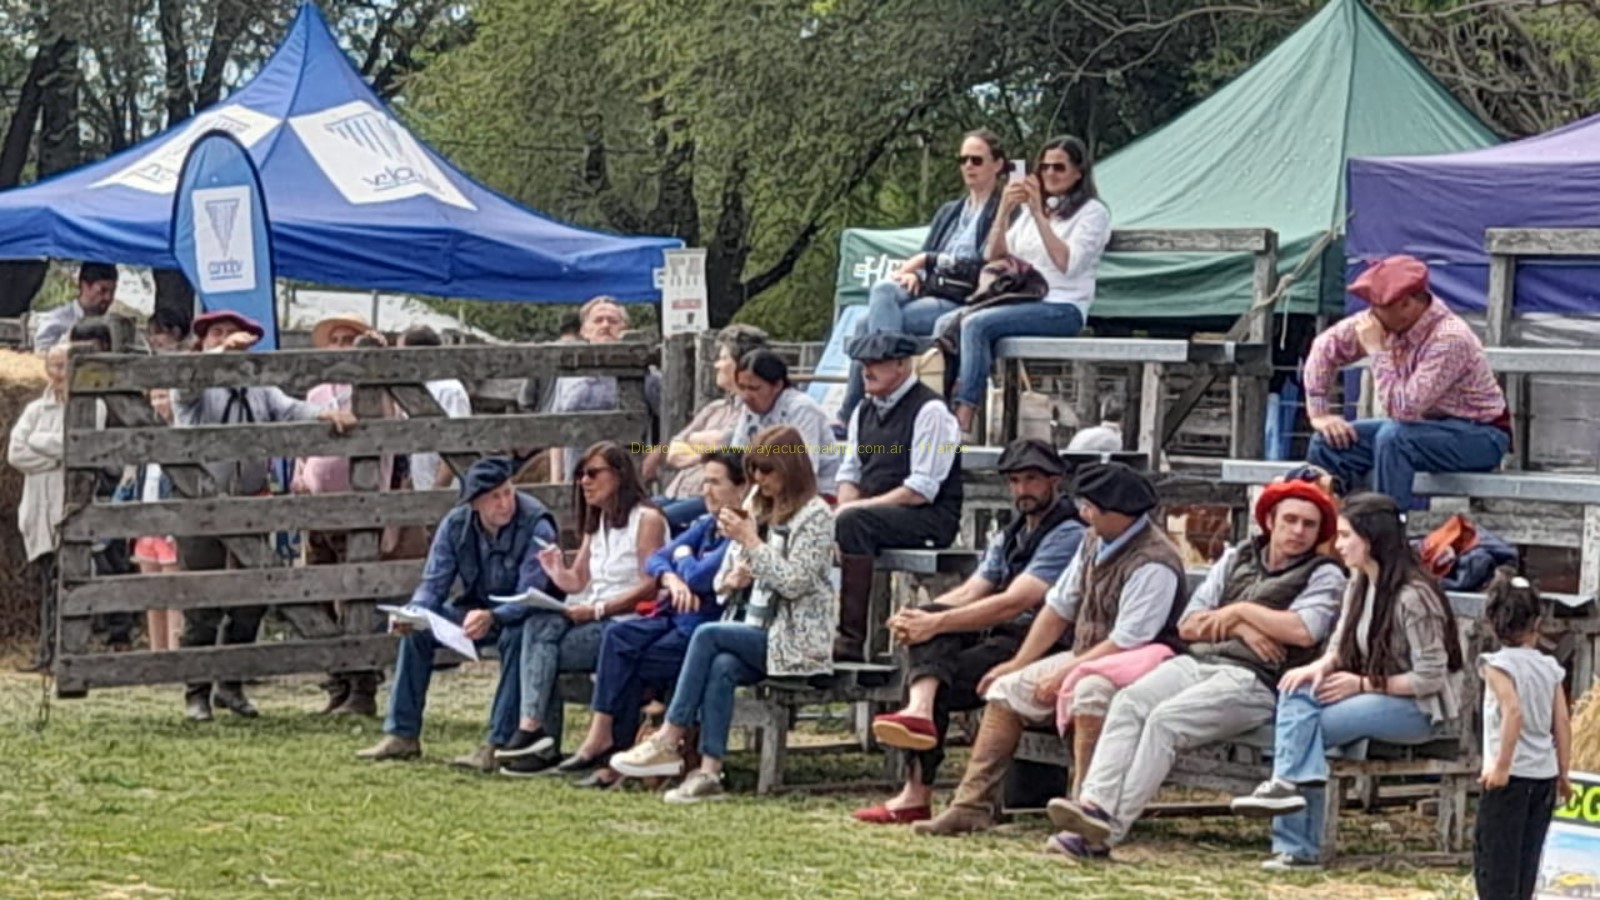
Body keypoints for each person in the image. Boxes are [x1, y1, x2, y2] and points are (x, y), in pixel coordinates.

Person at [1041, 469, 1347, 861]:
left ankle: (1104, 834)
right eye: (1290, 520)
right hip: (1198, 662)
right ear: (1270, 520)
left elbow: (1303, 630)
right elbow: (1188, 624)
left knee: (1165, 721)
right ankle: (1094, 806)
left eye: (1310, 524)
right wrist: (1240, 625)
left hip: (1254, 681)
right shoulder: (1238, 556)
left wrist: (1237, 611)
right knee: (1129, 702)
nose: (1298, 531)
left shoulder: (1323, 573)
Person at [915, 462, 1186, 836]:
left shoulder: (1154, 562)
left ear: (1118, 513)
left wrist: (1064, 674)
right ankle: (971, 806)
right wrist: (1019, 663)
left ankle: (1085, 814)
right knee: (1006, 690)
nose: (1083, 513)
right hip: (1089, 653)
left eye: (1091, 507)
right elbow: (1058, 607)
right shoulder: (1093, 541)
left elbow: (1129, 640)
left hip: (1140, 667)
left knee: (1089, 695)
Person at [1230, 492, 1467, 870]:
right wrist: (1318, 668)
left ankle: (1297, 842)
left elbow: (1429, 678)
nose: (1337, 545)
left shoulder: (1413, 596)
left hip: (1418, 708)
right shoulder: (1358, 581)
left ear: (1370, 539)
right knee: (1297, 691)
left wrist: (1363, 685)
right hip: (1371, 691)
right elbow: (1339, 646)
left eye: (1345, 536)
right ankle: (1288, 800)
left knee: (1304, 731)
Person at [854, 438, 1084, 825]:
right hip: (1002, 633)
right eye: (1015, 481)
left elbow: (1015, 601)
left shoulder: (1068, 533)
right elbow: (971, 591)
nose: (1022, 489)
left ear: (1055, 480)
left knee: (933, 664)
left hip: (1040, 643)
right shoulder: (1011, 533)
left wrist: (934, 622)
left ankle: (916, 786)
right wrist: (918, 616)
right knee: (930, 646)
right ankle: (919, 713)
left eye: (1032, 479)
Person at [610, 425, 836, 803]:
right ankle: (709, 771)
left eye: (767, 471)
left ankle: (669, 736)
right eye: (754, 470)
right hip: (752, 625)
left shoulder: (816, 516)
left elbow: (795, 582)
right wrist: (731, 579)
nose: (760, 480)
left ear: (791, 468)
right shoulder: (758, 508)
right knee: (722, 665)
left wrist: (752, 543)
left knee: (708, 635)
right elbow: (720, 579)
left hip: (795, 638)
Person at [173, 310, 357, 722]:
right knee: (202, 601)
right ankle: (196, 692)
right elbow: (186, 384)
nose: (227, 340)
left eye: (234, 334)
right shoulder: (195, 387)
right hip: (201, 506)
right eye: (216, 334)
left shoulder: (260, 388)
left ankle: (231, 684)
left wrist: (324, 415)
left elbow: (290, 408)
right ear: (203, 342)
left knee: (252, 600)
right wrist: (220, 353)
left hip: (252, 504)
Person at [553, 450, 747, 788]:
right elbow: (657, 560)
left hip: (702, 629)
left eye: (716, 482)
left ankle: (617, 758)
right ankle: (606, 741)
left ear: (741, 488)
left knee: (633, 662)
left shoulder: (739, 534)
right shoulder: (706, 525)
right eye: (704, 482)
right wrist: (672, 577)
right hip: (673, 617)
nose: (706, 490)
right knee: (620, 637)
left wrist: (681, 561)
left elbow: (700, 576)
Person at [355, 457, 560, 766]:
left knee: (518, 639)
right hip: (473, 608)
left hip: (520, 617)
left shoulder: (535, 523)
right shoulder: (455, 524)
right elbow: (433, 583)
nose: (505, 503)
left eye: (508, 492)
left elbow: (531, 594)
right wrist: (413, 613)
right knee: (417, 632)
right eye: (495, 497)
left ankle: (497, 743)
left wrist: (494, 616)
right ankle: (402, 733)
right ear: (475, 503)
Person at [495, 442, 667, 775]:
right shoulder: (598, 521)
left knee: (542, 653)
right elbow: (578, 580)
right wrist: (556, 571)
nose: (584, 482)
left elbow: (651, 586)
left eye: (592, 473)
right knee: (536, 625)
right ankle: (533, 732)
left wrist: (598, 610)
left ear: (618, 475)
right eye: (580, 475)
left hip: (625, 623)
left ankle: (537, 738)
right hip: (591, 614)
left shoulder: (647, 519)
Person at [1303, 255, 1509, 511]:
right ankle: (1340, 523)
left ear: (1406, 304)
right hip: (1421, 429)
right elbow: (1323, 347)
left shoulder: (1450, 338)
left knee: (1395, 438)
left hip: (1480, 435)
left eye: (1379, 306)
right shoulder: (1385, 321)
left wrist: (1378, 352)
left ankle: (1385, 527)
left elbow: (1402, 410)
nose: (1371, 315)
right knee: (1326, 443)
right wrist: (1320, 414)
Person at [934, 136, 1111, 434]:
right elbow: (993, 255)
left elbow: (1067, 263)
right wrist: (1004, 210)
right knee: (944, 323)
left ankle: (964, 416)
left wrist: (1040, 215)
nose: (1050, 173)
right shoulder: (1031, 210)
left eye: (1059, 167)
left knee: (976, 325)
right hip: (1022, 299)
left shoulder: (1093, 213)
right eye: (1044, 167)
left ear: (1078, 172)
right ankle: (938, 408)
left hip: (1062, 306)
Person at [839, 131, 1008, 420]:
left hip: (961, 297)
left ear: (998, 164)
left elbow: (983, 264)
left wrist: (928, 260)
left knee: (865, 324)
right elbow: (925, 253)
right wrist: (916, 272)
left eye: (977, 160)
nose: (968, 166)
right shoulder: (950, 210)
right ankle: (883, 394)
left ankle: (857, 411)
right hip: (930, 286)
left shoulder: (1004, 209)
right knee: (883, 289)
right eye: (963, 160)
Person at [832, 332, 962, 661]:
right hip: (877, 514)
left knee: (852, 522)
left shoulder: (931, 411)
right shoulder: (863, 410)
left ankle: (850, 639)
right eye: (864, 364)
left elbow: (921, 489)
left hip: (928, 518)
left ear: (902, 365)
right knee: (826, 520)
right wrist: (842, 508)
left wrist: (853, 510)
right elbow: (850, 471)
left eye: (876, 363)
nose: (867, 371)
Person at [1473, 569, 1571, 900]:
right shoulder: (1550, 667)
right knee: (1526, 864)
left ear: (1492, 621)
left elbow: (1512, 711)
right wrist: (1563, 772)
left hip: (1510, 778)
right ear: (1537, 622)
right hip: (1544, 776)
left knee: (1495, 866)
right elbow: (1562, 721)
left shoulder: (1496, 665)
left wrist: (1501, 766)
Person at [644, 324, 767, 533]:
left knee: (649, 521)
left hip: (708, 497)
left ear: (742, 365)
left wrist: (696, 443)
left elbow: (729, 449)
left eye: (723, 358)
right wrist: (706, 451)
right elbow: (673, 451)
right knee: (629, 513)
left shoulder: (753, 412)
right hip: (676, 492)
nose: (717, 365)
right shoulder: (714, 409)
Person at [8, 343, 73, 671]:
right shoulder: (35, 409)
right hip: (38, 506)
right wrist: (57, 454)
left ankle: (65, 653)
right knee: (47, 581)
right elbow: (16, 454)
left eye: (65, 365)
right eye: (55, 366)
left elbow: (78, 447)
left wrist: (41, 443)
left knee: (67, 583)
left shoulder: (89, 408)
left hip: (67, 505)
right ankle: (46, 652)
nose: (59, 373)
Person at [728, 349, 840, 496]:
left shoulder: (802, 409)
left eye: (754, 388)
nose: (745, 396)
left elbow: (804, 468)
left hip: (814, 491)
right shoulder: (750, 408)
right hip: (762, 487)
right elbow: (736, 454)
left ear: (777, 385)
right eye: (741, 388)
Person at [548, 297, 631, 480]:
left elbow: (669, 431)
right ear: (584, 330)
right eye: (598, 320)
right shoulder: (568, 376)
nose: (605, 325)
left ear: (624, 329)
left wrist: (649, 459)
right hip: (577, 477)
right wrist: (556, 480)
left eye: (613, 321)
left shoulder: (644, 375)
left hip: (622, 480)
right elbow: (556, 431)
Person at [127, 388, 181, 652]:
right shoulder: (146, 439)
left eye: (164, 397)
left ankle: (174, 654)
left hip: (169, 527)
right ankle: (156, 654)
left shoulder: (182, 434)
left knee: (173, 596)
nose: (159, 403)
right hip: (146, 526)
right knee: (152, 597)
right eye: (155, 398)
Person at [396, 325, 472, 492]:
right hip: (422, 485)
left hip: (446, 491)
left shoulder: (449, 390)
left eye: (401, 353)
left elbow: (457, 442)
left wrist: (438, 487)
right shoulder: (414, 389)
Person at [33, 262, 117, 351]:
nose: (108, 298)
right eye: (103, 291)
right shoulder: (57, 319)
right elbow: (41, 351)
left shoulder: (111, 324)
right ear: (84, 285)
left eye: (112, 292)